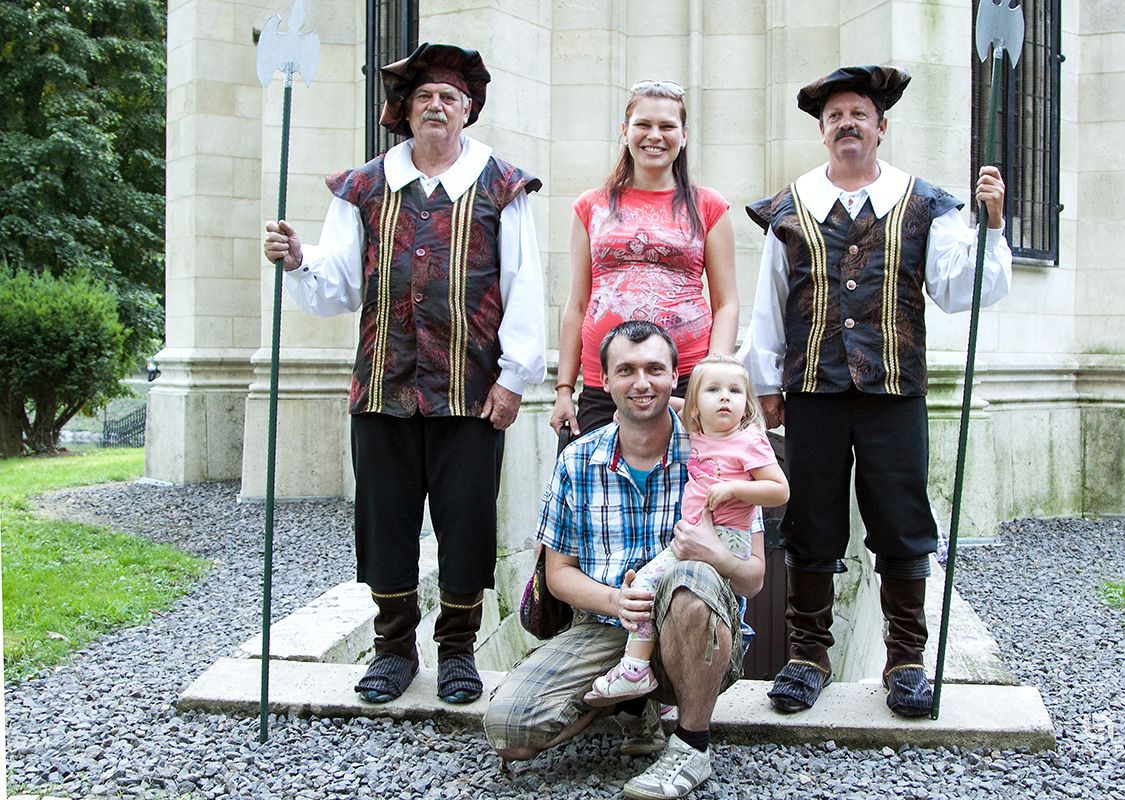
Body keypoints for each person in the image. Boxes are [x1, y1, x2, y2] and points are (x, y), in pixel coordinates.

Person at [262, 43, 545, 706]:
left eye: (449, 97)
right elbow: (337, 283)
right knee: (384, 522)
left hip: (470, 392)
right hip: (382, 387)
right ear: (406, 111)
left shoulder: (502, 185)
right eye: (424, 97)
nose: (436, 106)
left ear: (468, 110)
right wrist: (298, 259)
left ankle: (457, 652)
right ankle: (393, 650)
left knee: (466, 523)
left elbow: (525, 285)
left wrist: (514, 378)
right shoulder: (363, 187)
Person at [742, 65, 1012, 718]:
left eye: (858, 114)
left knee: (901, 518)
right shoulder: (791, 207)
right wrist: (765, 383)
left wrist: (993, 224)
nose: (847, 125)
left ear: (881, 127)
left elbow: (961, 289)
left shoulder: (925, 204)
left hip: (894, 389)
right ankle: (807, 657)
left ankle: (907, 661)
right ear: (823, 132)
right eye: (835, 116)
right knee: (811, 518)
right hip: (813, 389)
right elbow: (770, 302)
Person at [485, 321, 765, 800]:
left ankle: (691, 744)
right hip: (607, 627)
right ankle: (633, 707)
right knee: (510, 732)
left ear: (675, 377)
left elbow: (754, 578)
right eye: (627, 370)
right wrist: (616, 602)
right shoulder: (577, 461)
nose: (642, 383)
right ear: (605, 379)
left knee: (691, 578)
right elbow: (558, 574)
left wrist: (717, 555)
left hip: (692, 631)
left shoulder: (718, 454)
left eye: (655, 369)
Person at [584, 354, 788, 705]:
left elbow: (779, 490)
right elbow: (670, 403)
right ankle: (663, 690)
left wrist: (734, 489)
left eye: (735, 391)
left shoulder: (749, 440)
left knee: (646, 585)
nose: (724, 397)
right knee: (661, 596)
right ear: (696, 407)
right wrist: (626, 412)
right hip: (695, 535)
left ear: (747, 403)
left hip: (725, 537)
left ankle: (635, 669)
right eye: (713, 390)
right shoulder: (699, 433)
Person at [551, 80, 738, 437]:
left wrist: (713, 375)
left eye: (667, 126)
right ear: (625, 131)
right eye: (643, 125)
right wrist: (563, 390)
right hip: (605, 379)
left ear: (683, 135)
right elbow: (577, 304)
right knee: (600, 470)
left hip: (685, 377)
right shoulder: (591, 205)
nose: (655, 136)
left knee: (687, 472)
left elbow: (726, 302)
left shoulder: (709, 205)